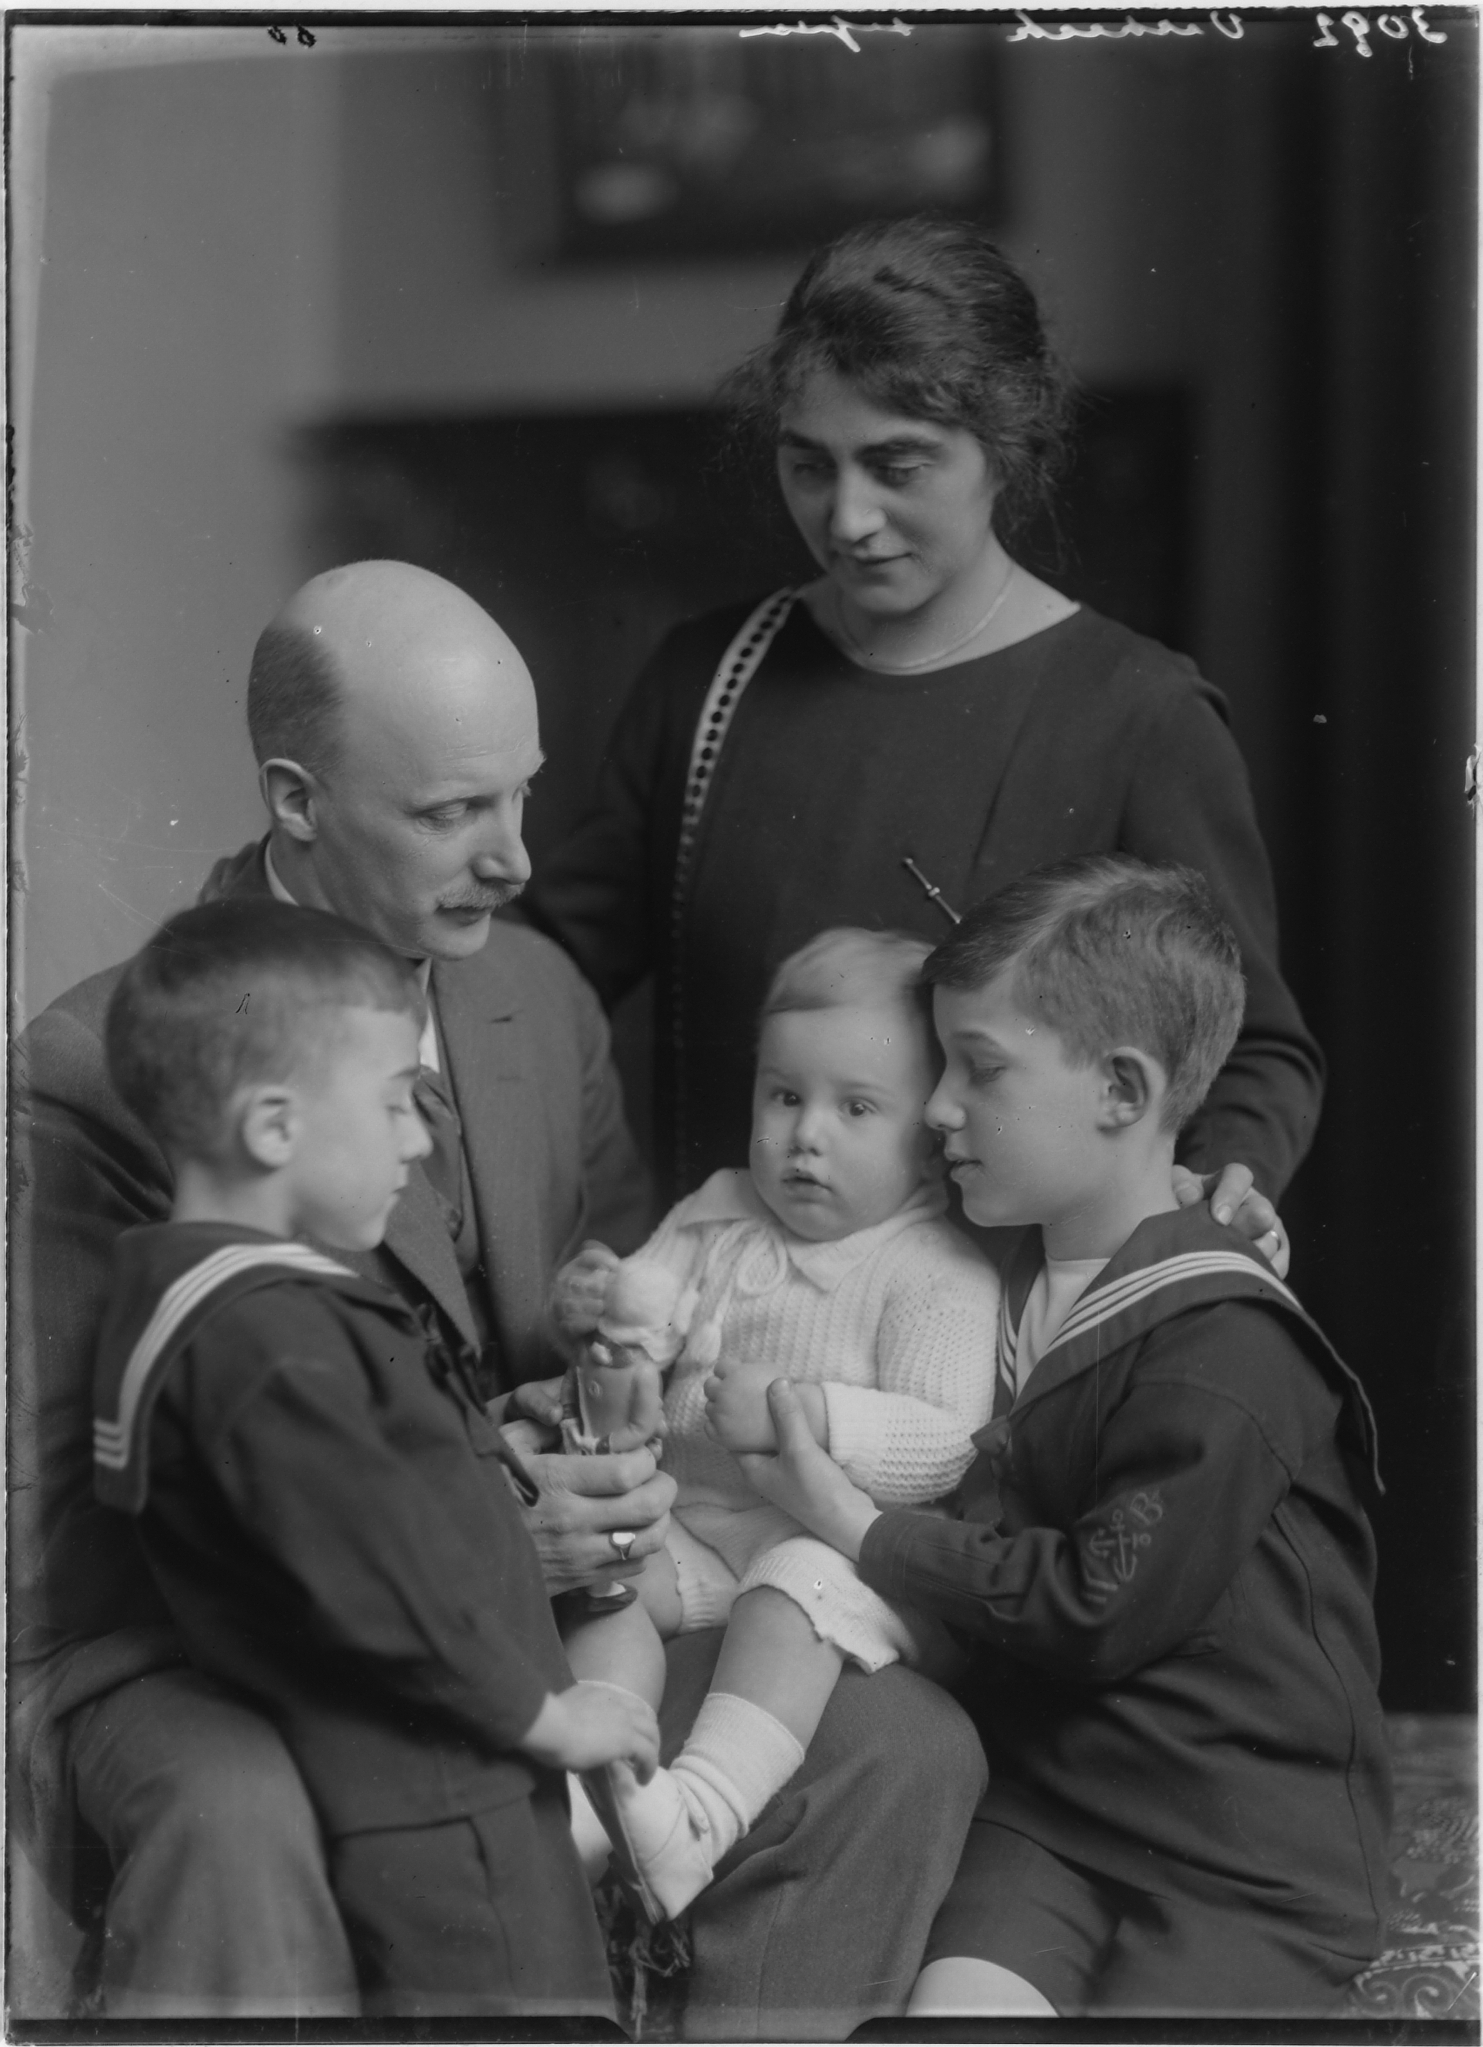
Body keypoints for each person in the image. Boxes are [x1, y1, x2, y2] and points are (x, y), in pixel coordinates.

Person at [12, 559, 988, 2035]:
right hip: (232, 1632)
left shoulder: (536, 999)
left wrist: (610, 1404)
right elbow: (59, 1536)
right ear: (295, 801)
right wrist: (476, 1534)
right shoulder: (105, 1070)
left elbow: (595, 1320)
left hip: (540, 1594)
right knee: (252, 1805)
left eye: (521, 795)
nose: (518, 858)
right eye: (451, 812)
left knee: (901, 1740)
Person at [522, 215, 1317, 1258]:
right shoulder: (706, 680)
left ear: (1006, 445)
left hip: (1008, 1329)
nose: (847, 517)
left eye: (896, 466)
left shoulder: (1139, 713)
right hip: (722, 1315)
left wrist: (1219, 1187)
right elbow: (544, 970)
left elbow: (1253, 1048)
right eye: (809, 465)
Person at [732, 857, 1391, 2019]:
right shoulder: (990, 1264)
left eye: (978, 1068)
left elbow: (1095, 1608)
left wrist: (854, 1524)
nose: (937, 1107)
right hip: (1050, 1810)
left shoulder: (1223, 1341)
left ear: (1122, 1091)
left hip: (1240, 1850)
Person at [92, 896, 659, 2016]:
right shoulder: (276, 1344)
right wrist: (555, 1720)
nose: (417, 1139)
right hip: (451, 1800)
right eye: (398, 1102)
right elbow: (387, 1586)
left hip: (394, 1780)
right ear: (274, 1128)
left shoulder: (183, 1296)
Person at [539, 930, 999, 1922]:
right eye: (784, 1096)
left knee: (794, 1586)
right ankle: (596, 1783)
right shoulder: (717, 1213)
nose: (805, 1137)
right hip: (699, 1526)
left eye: (856, 1108)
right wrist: (603, 1314)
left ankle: (701, 1813)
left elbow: (944, 1442)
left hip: (845, 1555)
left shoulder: (934, 1271)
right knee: (614, 1570)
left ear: (930, 1132)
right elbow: (645, 1310)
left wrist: (806, 1410)